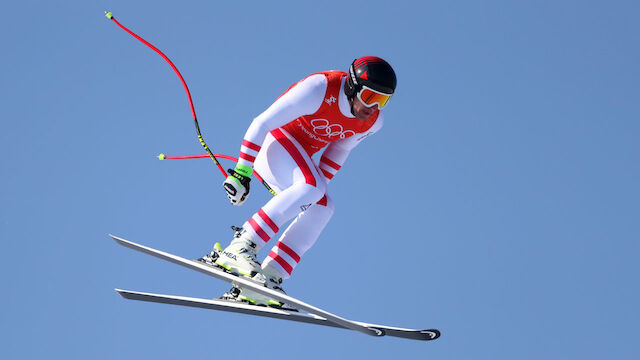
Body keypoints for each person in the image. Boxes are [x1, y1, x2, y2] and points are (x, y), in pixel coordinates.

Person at [198, 56, 397, 309]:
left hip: (296, 159)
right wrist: (242, 172)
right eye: (370, 97)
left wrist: (311, 195)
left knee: (323, 207)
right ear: (353, 86)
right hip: (274, 143)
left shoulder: (371, 122)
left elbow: (338, 152)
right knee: (312, 187)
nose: (374, 107)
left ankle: (265, 281)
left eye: (383, 101)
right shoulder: (320, 88)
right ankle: (239, 248)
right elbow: (262, 122)